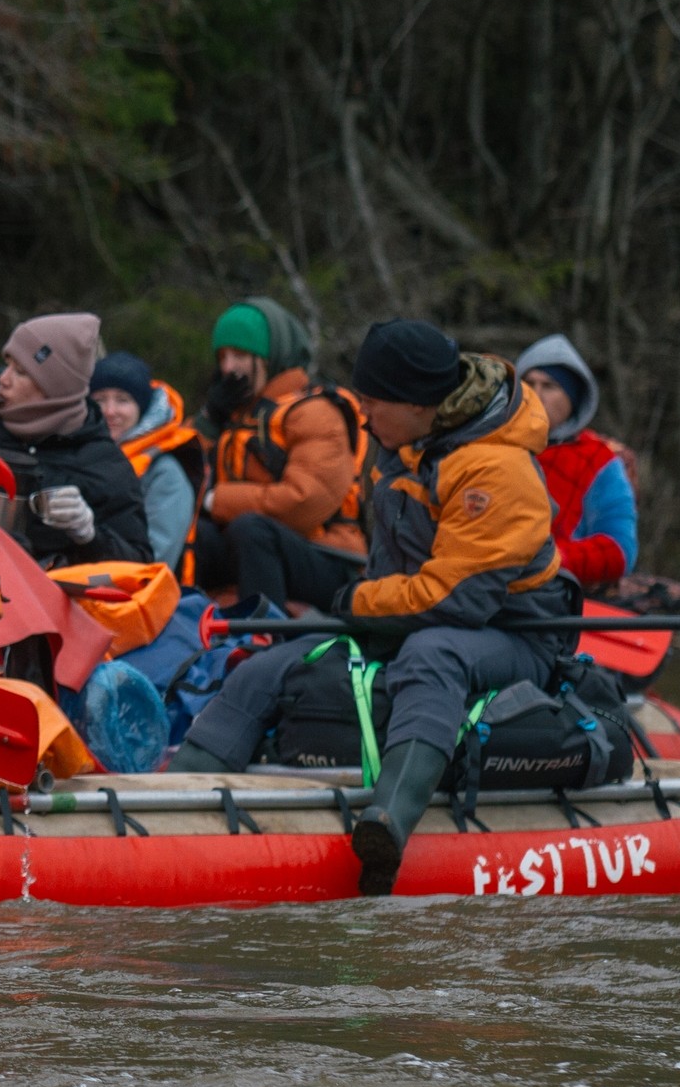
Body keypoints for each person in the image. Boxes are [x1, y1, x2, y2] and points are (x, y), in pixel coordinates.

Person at [171, 320, 578, 895]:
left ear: (416, 403)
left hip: (514, 634)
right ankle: (172, 790)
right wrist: (353, 611)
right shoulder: (403, 445)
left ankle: (388, 821)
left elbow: (457, 599)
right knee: (282, 657)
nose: (361, 414)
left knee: (433, 653)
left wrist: (359, 601)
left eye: (371, 401)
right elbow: (394, 576)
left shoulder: (496, 470)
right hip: (414, 616)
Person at [194, 296, 366, 613]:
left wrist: (215, 500)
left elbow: (303, 501)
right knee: (196, 535)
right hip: (253, 551)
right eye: (222, 357)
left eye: (240, 355)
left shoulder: (314, 412)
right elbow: (180, 472)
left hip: (330, 558)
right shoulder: (233, 415)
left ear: (270, 358)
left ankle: (263, 635)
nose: (228, 368)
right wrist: (209, 419)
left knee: (250, 529)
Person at [0, 313, 149, 568]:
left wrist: (90, 535)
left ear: (56, 388)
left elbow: (139, 564)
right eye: (7, 364)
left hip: (42, 592)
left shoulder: (106, 465)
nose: (3, 379)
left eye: (21, 372)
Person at [513, 335, 638, 594]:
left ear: (573, 398)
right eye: (529, 383)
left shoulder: (599, 460)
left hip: (553, 595)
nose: (536, 395)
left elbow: (620, 550)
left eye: (549, 386)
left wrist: (545, 560)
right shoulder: (491, 443)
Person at [91, 353, 203, 572]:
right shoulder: (82, 455)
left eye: (122, 400)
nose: (110, 411)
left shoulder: (165, 473)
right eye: (100, 400)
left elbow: (158, 558)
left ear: (141, 408)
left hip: (133, 586)